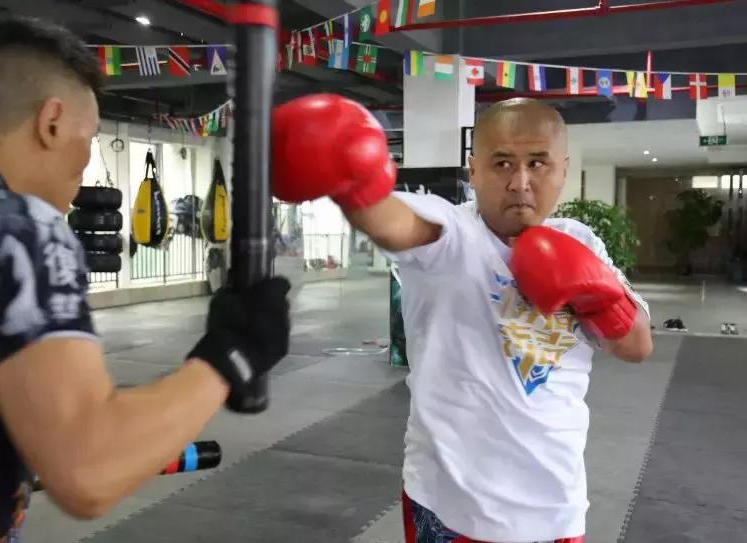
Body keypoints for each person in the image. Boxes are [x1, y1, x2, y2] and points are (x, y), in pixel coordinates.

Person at [0, 17, 291, 542]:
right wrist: (232, 355)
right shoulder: (16, 229)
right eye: (88, 141)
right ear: (53, 122)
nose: (85, 168)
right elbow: (88, 471)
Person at [272, 94, 653, 543]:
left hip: (558, 506)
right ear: (473, 170)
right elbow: (395, 222)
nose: (520, 182)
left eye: (538, 163)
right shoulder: (453, 234)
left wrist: (602, 298)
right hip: (453, 506)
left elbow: (637, 346)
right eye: (503, 164)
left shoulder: (580, 240)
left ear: (563, 170)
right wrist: (351, 180)